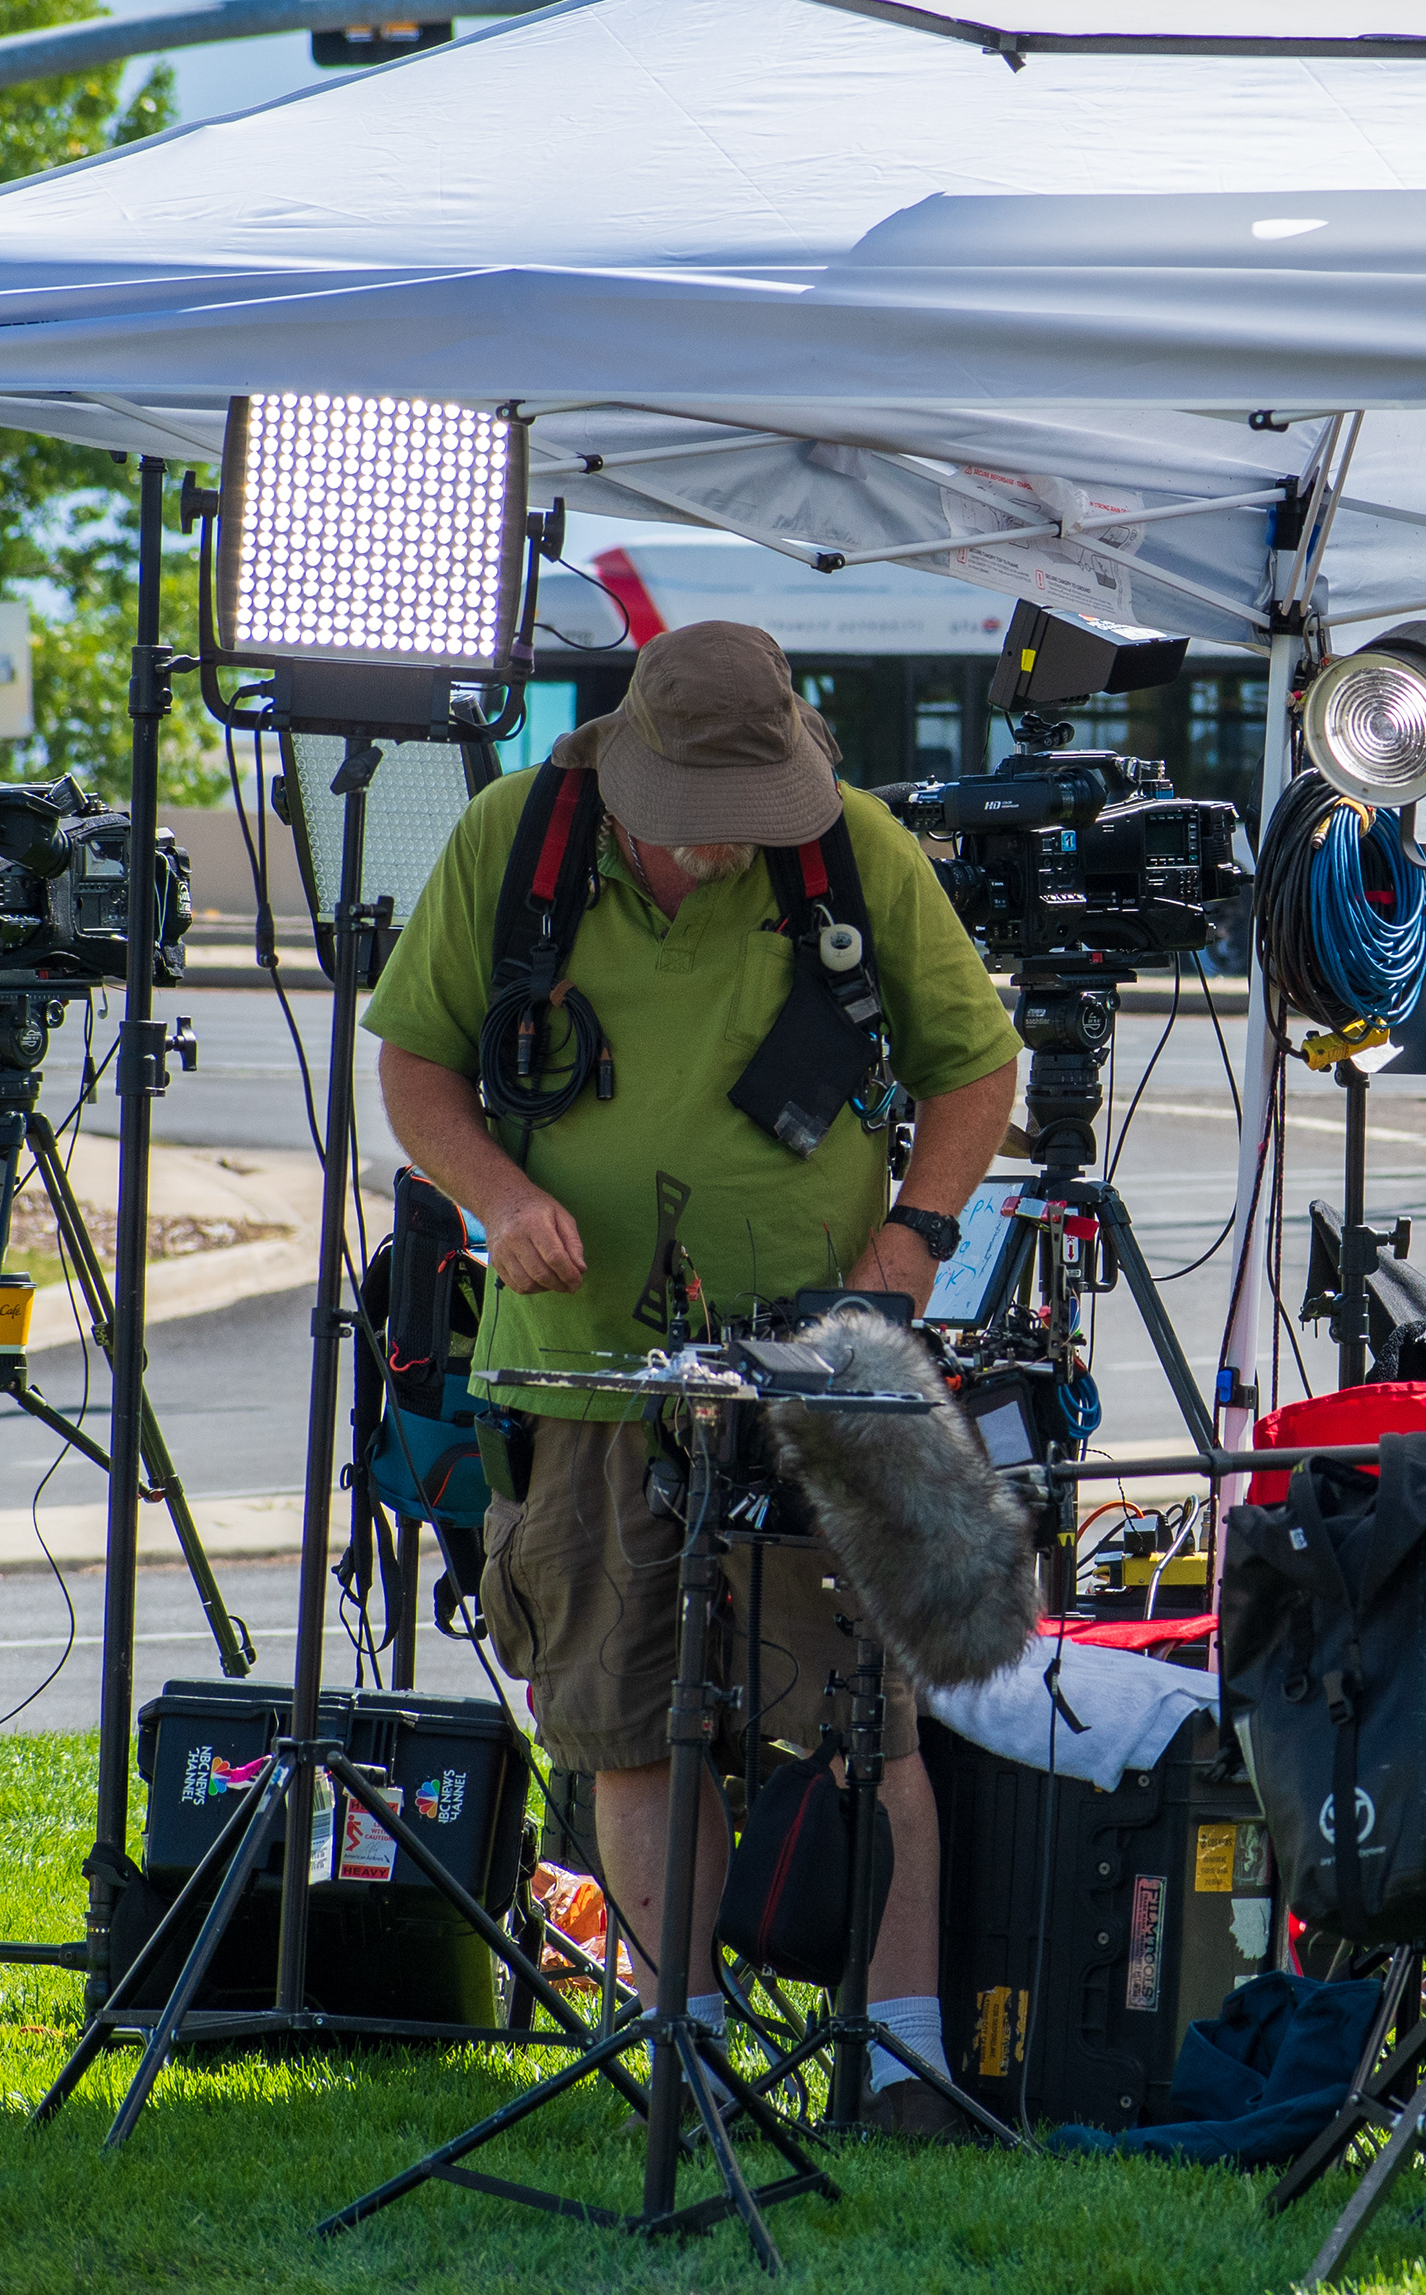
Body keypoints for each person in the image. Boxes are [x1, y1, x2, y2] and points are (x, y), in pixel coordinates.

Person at [366, 621, 1021, 2133]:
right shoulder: (511, 839)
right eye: (699, 819)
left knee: (872, 1719)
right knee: (622, 1712)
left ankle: (908, 2061)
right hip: (581, 1373)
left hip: (823, 1373)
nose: (728, 848)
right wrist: (499, 1199)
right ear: (626, 769)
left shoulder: (858, 854)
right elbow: (417, 1067)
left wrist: (917, 1235)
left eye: (756, 817)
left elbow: (973, 1065)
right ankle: (689, 2058)